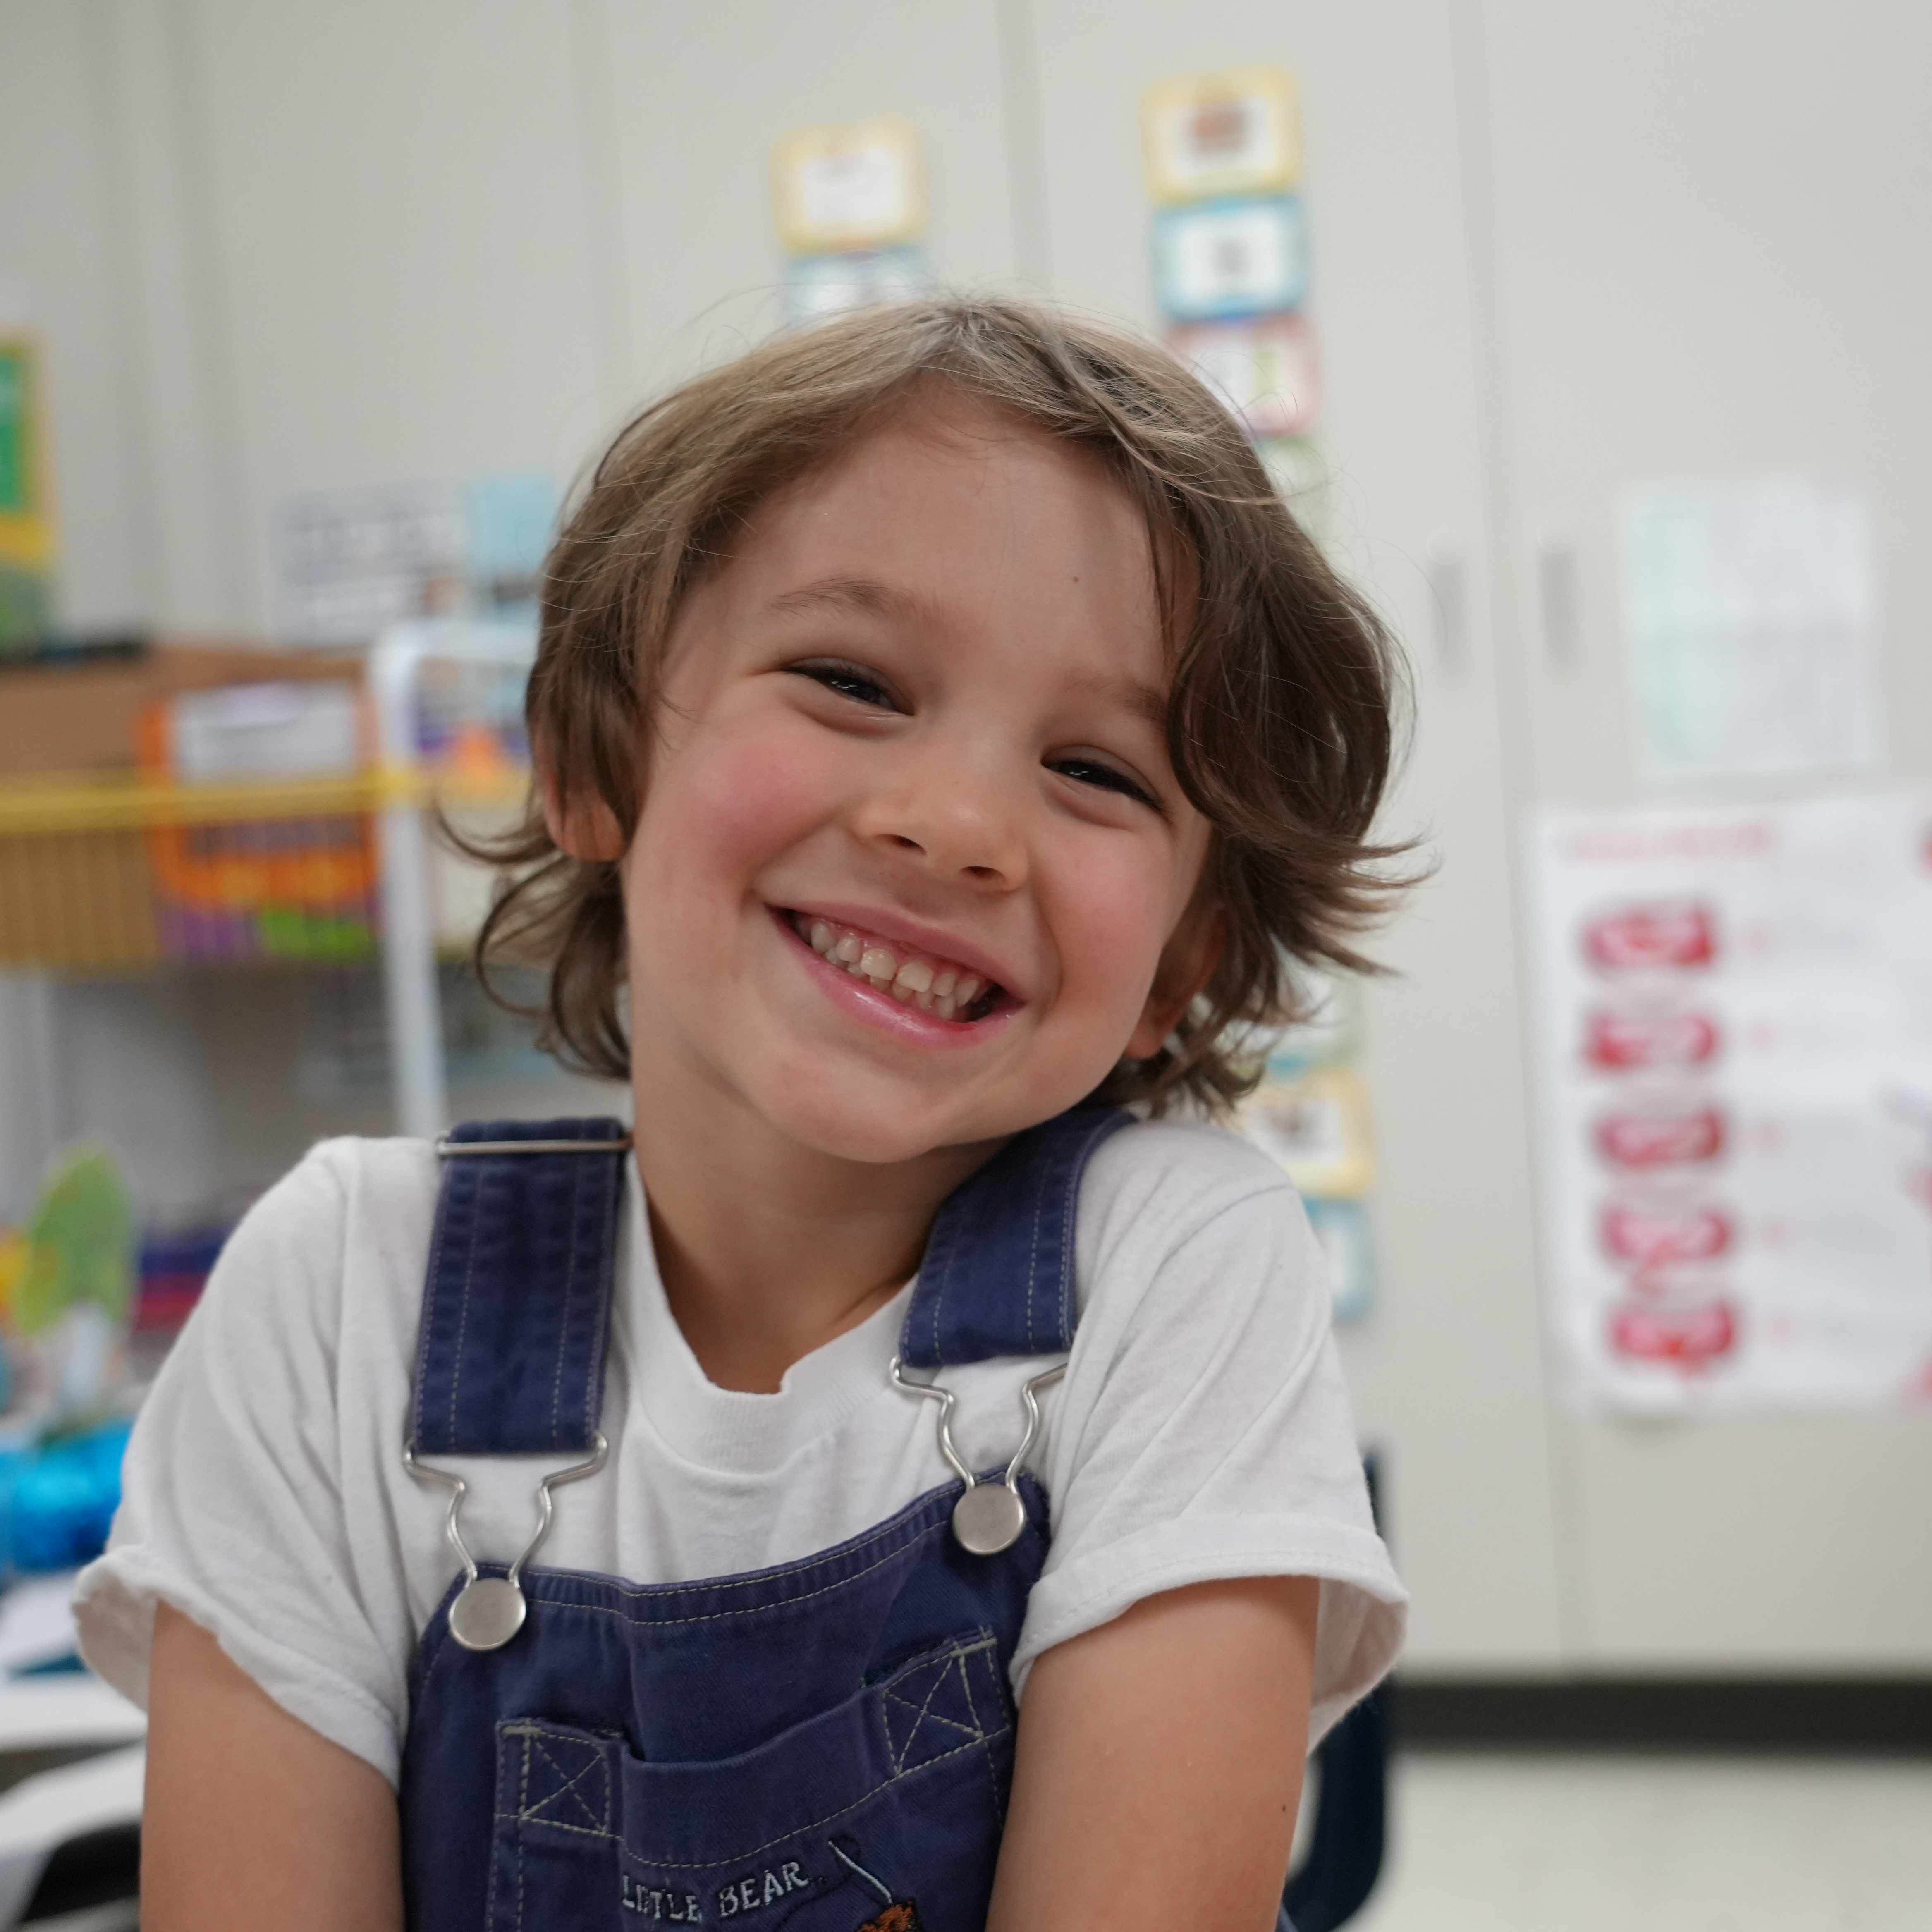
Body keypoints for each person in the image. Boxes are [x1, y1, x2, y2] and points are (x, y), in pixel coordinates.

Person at [77, 298, 1409, 1932]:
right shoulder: (339, 1288)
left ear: (1179, 969)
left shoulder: (1174, 1266)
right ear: (592, 755)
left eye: (1098, 771)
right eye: (851, 679)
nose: (958, 822)